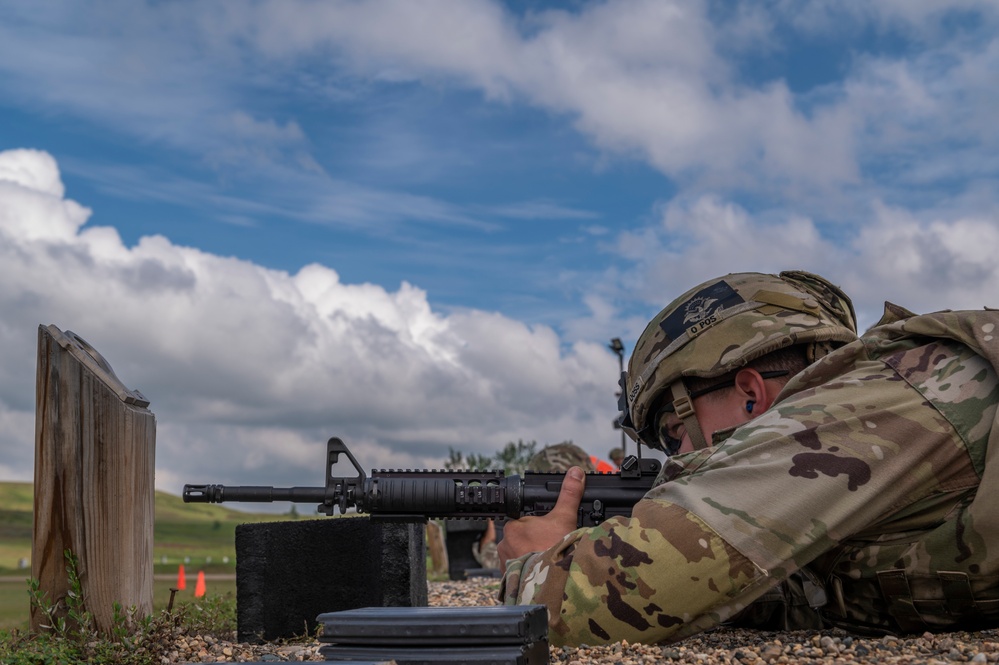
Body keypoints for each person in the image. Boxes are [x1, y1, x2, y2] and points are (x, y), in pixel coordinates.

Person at [498, 270, 999, 646]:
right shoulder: (868, 455)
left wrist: (535, 563)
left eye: (676, 434)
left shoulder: (876, 396)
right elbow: (824, 598)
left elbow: (584, 607)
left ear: (751, 394)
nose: (676, 461)